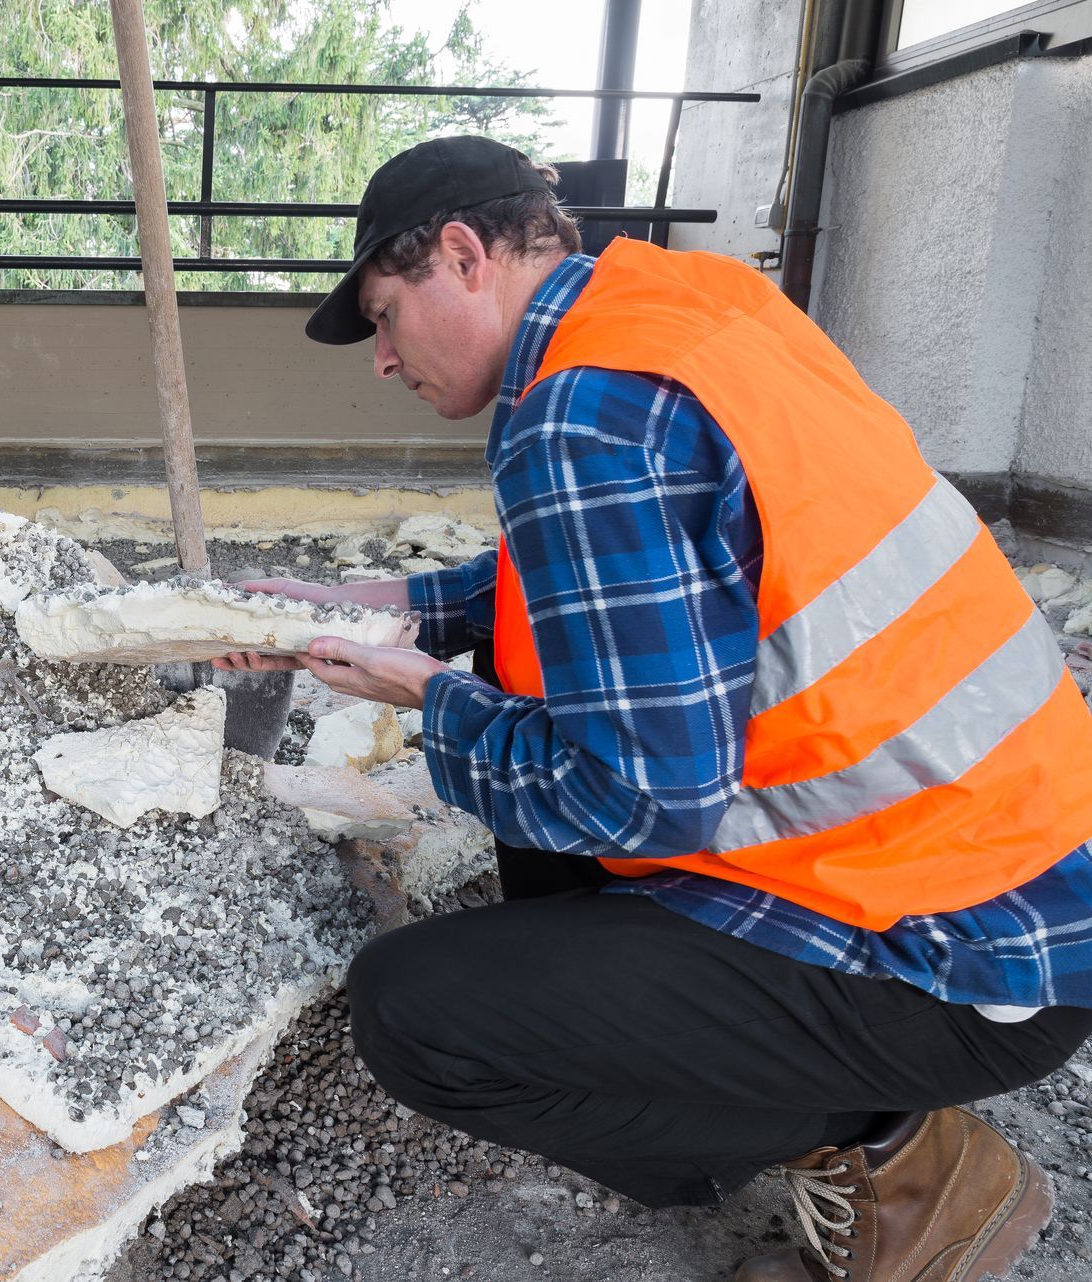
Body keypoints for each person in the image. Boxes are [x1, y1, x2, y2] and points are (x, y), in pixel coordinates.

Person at [215, 135, 1092, 1282]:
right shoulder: (690, 310)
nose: (382, 358)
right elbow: (623, 576)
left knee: (415, 1016)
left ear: (465, 256)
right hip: (1020, 869)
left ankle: (891, 1146)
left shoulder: (580, 415)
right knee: (537, 786)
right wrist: (385, 606)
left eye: (383, 316)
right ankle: (832, 1084)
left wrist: (434, 698)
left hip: (960, 961)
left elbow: (643, 800)